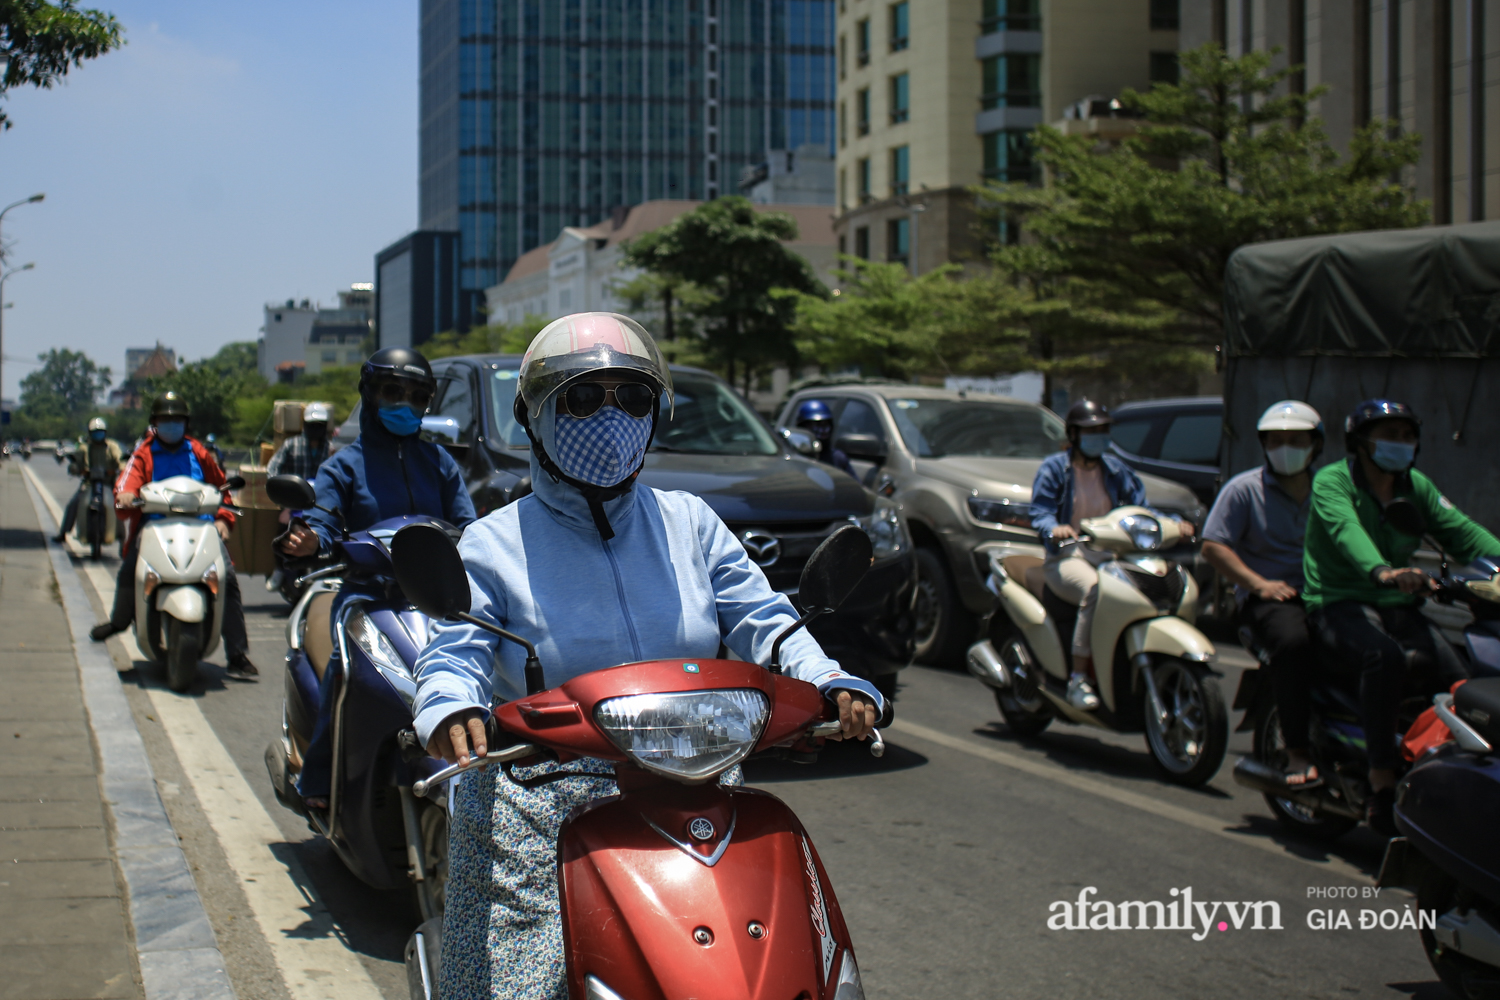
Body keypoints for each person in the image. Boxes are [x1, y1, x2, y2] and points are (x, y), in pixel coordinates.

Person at [411, 313, 881, 999]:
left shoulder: (691, 522)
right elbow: (457, 647)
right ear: (534, 418)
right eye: (580, 398)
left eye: (631, 398)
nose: (610, 416)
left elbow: (764, 619)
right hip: (541, 793)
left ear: (655, 413)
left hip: (694, 783)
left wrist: (827, 677)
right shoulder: (492, 543)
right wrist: (450, 704)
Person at [279, 348, 476, 809]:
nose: (404, 404)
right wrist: (309, 539)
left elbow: (468, 526)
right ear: (369, 396)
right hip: (367, 595)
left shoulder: (441, 464)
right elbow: (324, 517)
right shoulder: (344, 465)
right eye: (392, 392)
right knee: (345, 673)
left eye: (416, 396)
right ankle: (319, 780)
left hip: (434, 597)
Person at [1303, 399, 1497, 835]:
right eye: (1390, 435)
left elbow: (1464, 534)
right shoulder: (1333, 482)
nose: (1401, 444)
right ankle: (1380, 778)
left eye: (1407, 436)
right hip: (1339, 602)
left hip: (1397, 606)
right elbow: (1345, 531)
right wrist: (1384, 571)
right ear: (1360, 442)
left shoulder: (1416, 487)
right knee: (1384, 657)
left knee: (1465, 682)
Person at [1029, 399, 1195, 710]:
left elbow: (1141, 510)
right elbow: (1040, 512)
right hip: (1069, 556)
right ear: (1074, 434)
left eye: (1104, 430)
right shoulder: (1054, 469)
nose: (1100, 437)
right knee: (1095, 590)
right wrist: (1056, 528)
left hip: (1114, 555)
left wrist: (1172, 524)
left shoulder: (1116, 470)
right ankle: (1079, 677)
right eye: (1092, 431)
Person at [88, 393, 260, 681]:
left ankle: (237, 653)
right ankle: (119, 620)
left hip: (202, 526)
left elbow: (222, 487)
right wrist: (127, 495)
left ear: (185, 423)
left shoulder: (199, 453)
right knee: (132, 569)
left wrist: (223, 520)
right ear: (154, 423)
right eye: (165, 420)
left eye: (176, 420)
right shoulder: (143, 453)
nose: (171, 425)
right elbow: (126, 483)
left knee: (226, 578)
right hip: (154, 525)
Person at [1201, 400, 1323, 787]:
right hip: (1270, 598)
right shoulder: (1243, 490)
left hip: (1324, 594)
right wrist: (1259, 584)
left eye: (1296, 440)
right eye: (1276, 441)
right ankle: (1297, 751)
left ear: (1315, 444)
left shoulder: (1332, 490)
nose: (1285, 448)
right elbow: (1213, 546)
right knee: (1294, 644)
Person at [265, 402, 334, 593]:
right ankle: (279, 568)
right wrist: (283, 491)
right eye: (312, 425)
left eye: (320, 426)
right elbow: (272, 469)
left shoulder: (330, 449)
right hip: (294, 502)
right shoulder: (291, 445)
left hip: (321, 504)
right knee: (282, 525)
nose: (316, 430)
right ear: (304, 425)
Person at [54, 417, 123, 543]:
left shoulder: (112, 447)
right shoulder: (84, 448)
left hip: (108, 483)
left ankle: (122, 540)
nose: (98, 435)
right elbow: (76, 461)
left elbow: (120, 459)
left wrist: (121, 468)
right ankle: (63, 532)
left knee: (120, 506)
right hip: (89, 483)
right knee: (74, 504)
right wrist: (75, 468)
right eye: (95, 432)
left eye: (101, 432)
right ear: (90, 433)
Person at [793, 398, 856, 476]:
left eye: (825, 424)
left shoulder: (837, 458)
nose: (823, 430)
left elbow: (854, 485)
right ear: (803, 427)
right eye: (817, 425)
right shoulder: (794, 458)